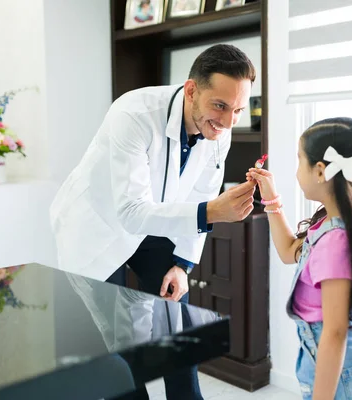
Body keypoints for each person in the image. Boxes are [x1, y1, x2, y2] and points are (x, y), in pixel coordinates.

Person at [50, 44, 257, 400]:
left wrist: (182, 263)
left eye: (237, 110)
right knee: (115, 346)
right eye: (220, 106)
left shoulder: (219, 129)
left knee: (177, 326)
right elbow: (132, 211)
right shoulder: (133, 113)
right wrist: (213, 211)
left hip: (157, 220)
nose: (227, 122)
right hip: (97, 227)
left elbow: (200, 194)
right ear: (192, 89)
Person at [246, 117, 352, 399]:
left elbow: (335, 332)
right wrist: (270, 199)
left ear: (319, 170)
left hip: (340, 371)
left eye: (299, 161)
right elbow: (290, 251)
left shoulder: (336, 242)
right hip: (348, 364)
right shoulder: (344, 215)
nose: (296, 172)